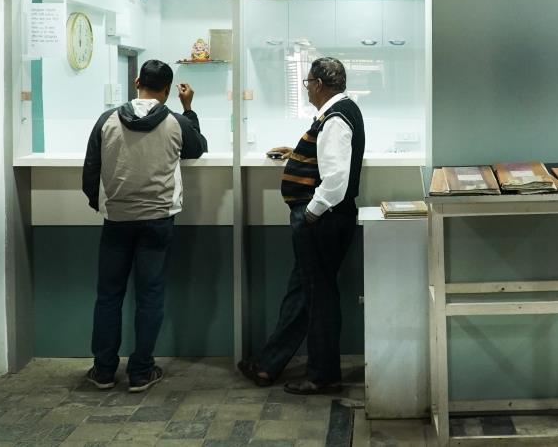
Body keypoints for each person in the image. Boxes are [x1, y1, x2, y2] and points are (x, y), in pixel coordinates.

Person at [238, 57, 365, 395]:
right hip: (328, 219)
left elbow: (335, 179)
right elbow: (328, 158)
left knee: (319, 297)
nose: (307, 88)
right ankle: (268, 365)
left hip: (323, 220)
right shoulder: (339, 112)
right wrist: (296, 152)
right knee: (303, 293)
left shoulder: (335, 118)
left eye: (308, 82)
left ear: (319, 84)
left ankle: (323, 375)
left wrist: (311, 212)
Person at [81, 59, 207, 392]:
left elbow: (90, 170)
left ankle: (103, 371)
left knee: (108, 296)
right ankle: (140, 371)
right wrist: (189, 109)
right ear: (167, 89)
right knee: (150, 296)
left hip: (117, 219)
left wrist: (104, 205)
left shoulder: (106, 120)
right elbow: (197, 148)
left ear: (137, 82)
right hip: (158, 219)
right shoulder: (176, 121)